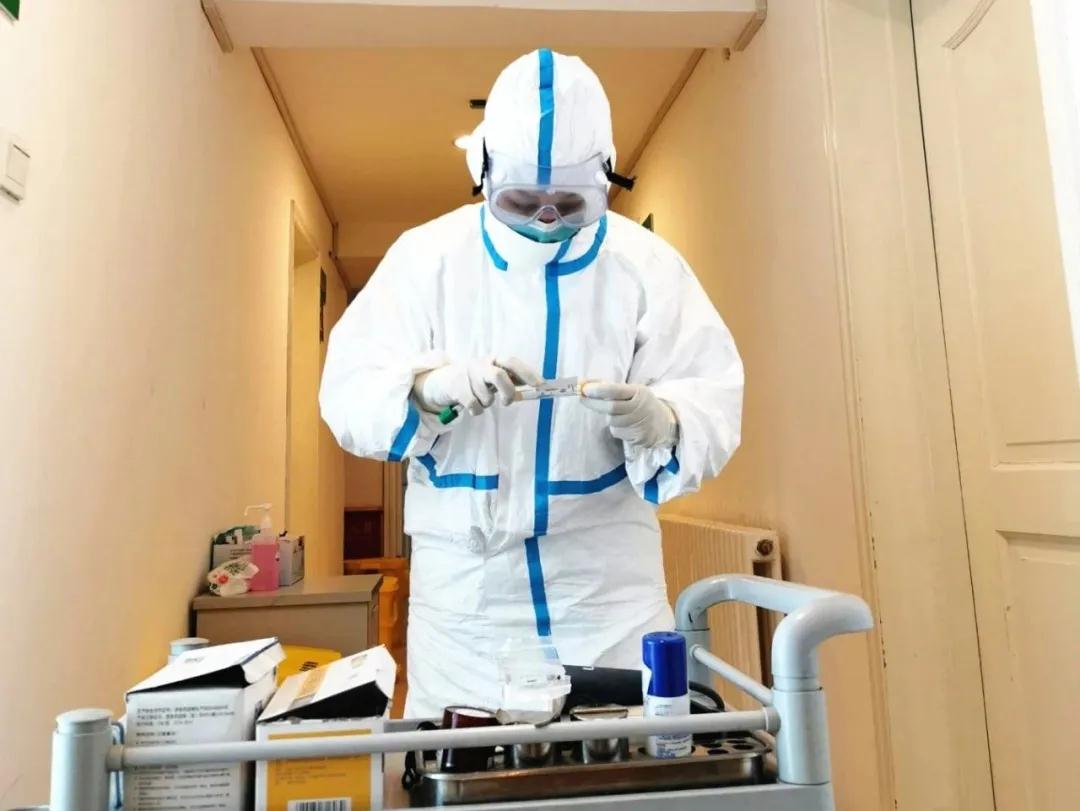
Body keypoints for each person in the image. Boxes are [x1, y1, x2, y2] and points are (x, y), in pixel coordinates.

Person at [320, 49, 743, 718]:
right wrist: (425, 389)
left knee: (622, 762)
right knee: (461, 763)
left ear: (605, 177)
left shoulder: (645, 266)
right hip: (468, 607)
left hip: (608, 598)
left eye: (569, 202)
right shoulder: (427, 260)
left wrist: (665, 419)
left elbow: (712, 389)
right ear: (483, 172)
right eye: (522, 200)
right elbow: (348, 389)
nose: (546, 218)